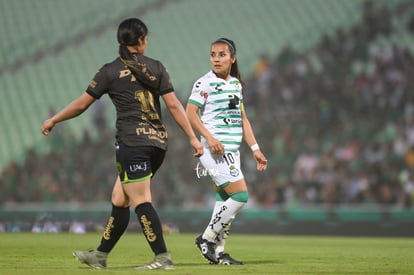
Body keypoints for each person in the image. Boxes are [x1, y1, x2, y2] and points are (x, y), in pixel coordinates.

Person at [40, 18, 203, 270]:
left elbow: (82, 104)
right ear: (141, 40)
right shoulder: (157, 67)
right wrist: (192, 138)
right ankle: (100, 255)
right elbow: (173, 105)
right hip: (157, 144)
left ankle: (162, 257)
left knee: (140, 200)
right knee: (120, 198)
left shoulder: (109, 71)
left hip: (132, 144)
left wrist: (54, 119)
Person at [186, 38, 268, 265]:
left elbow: (242, 119)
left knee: (224, 200)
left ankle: (220, 253)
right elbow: (190, 113)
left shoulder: (236, 85)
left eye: (222, 54)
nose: (216, 58)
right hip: (214, 151)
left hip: (233, 151)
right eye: (213, 54)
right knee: (240, 196)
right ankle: (206, 238)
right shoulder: (204, 83)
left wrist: (255, 148)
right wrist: (209, 138)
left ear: (233, 58)